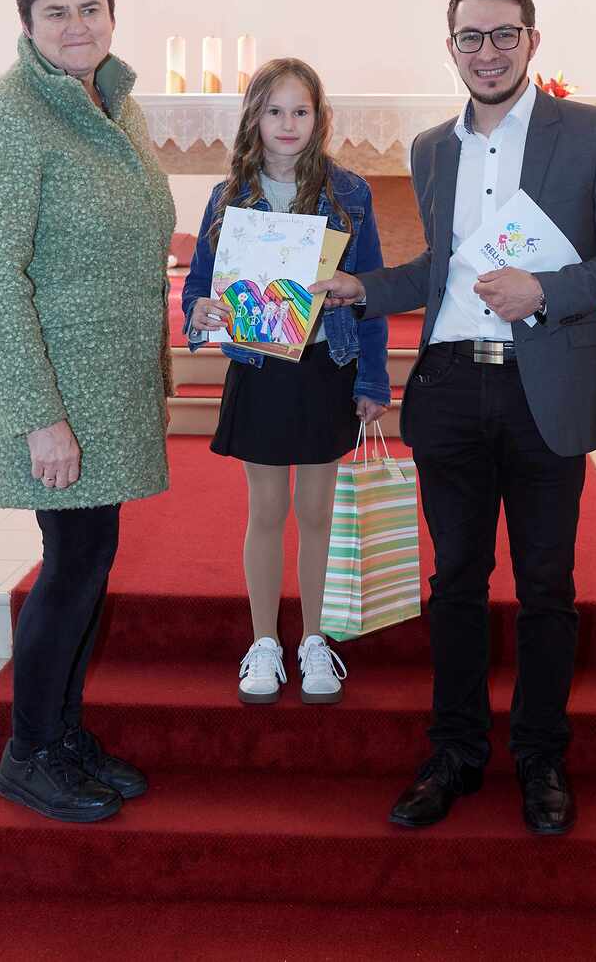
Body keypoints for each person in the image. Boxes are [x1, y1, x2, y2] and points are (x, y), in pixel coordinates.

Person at [312, 0, 596, 834]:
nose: (488, 52)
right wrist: (362, 288)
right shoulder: (433, 148)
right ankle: (456, 751)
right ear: (452, 48)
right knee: (457, 580)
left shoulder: (594, 133)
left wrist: (546, 289)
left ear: (532, 42)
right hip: (451, 387)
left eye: (505, 34)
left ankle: (541, 757)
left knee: (546, 584)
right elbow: (441, 272)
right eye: (471, 37)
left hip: (545, 383)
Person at [0, 0, 176, 823]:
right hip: (58, 389)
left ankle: (62, 732)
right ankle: (28, 752)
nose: (77, 25)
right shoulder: (4, 118)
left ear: (112, 16)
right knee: (71, 563)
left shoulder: (113, 103)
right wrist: (37, 416)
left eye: (90, 9)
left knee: (89, 561)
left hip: (110, 383)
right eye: (57, 12)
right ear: (27, 23)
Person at [183, 59, 390, 707]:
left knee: (318, 512)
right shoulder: (229, 196)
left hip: (326, 366)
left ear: (319, 118)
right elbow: (199, 284)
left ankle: (315, 639)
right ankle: (266, 641)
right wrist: (200, 311)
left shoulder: (350, 193)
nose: (288, 123)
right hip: (260, 368)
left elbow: (372, 292)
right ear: (255, 117)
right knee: (267, 511)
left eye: (301, 111)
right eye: (275, 110)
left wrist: (373, 379)